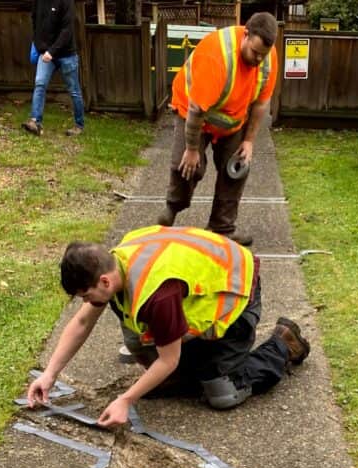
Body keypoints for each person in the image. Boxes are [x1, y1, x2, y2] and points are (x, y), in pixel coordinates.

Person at [26, 225, 309, 426]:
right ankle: (187, 370)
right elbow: (82, 321)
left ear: (104, 281)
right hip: (200, 277)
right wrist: (49, 375)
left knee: (223, 394)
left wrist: (125, 400)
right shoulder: (113, 264)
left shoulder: (157, 295)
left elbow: (168, 359)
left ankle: (283, 344)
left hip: (237, 290)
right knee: (140, 341)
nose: (86, 302)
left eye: (86, 295)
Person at [157, 12, 280, 247]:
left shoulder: (268, 59)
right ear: (246, 35)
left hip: (232, 119)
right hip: (193, 111)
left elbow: (261, 104)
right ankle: (171, 209)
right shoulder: (217, 56)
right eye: (254, 52)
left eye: (263, 55)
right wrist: (192, 149)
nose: (258, 59)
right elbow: (196, 111)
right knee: (189, 166)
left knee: (237, 167)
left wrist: (249, 141)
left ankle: (222, 228)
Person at [22, 0, 85, 137]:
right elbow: (35, 20)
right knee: (40, 84)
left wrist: (52, 51)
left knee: (74, 90)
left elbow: (67, 31)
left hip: (66, 54)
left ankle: (79, 125)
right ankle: (35, 122)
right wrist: (38, 44)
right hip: (45, 53)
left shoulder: (66, 2)